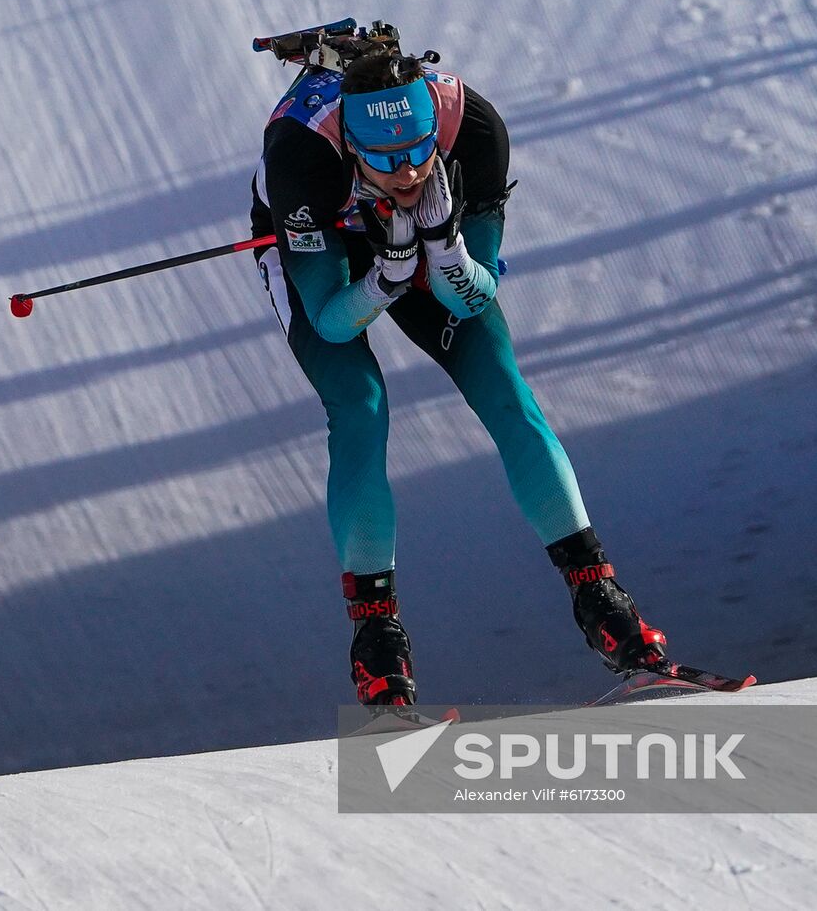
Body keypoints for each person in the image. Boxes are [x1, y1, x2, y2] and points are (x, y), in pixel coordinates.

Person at [250, 42, 667, 706]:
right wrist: (387, 275)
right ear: (354, 144)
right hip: (327, 247)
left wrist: (442, 247)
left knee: (502, 384)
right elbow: (331, 321)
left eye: (418, 150)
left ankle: (601, 596)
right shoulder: (301, 152)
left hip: (421, 241)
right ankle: (376, 638)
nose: (409, 171)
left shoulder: (472, 129)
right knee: (359, 403)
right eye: (386, 160)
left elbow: (470, 297)